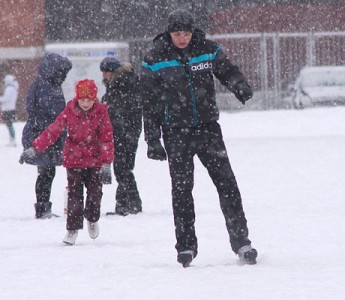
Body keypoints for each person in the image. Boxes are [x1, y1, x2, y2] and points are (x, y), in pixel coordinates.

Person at [140, 9, 257, 267]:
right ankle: (186, 247)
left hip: (207, 130)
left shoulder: (207, 50)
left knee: (227, 185)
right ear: (168, 33)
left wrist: (239, 84)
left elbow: (227, 70)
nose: (182, 39)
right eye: (177, 34)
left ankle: (242, 242)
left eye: (186, 33)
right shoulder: (154, 59)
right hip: (175, 134)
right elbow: (149, 103)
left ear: (193, 32)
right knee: (182, 191)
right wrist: (152, 139)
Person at [20, 79, 114, 245]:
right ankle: (72, 229)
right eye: (82, 99)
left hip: (94, 160)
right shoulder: (69, 111)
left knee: (94, 194)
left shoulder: (101, 112)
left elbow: (106, 138)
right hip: (74, 159)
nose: (85, 104)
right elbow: (53, 131)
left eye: (89, 100)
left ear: (94, 99)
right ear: (77, 98)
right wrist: (34, 148)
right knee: (74, 196)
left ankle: (92, 218)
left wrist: (106, 164)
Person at [21, 53, 72, 219]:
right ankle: (42, 208)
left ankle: (43, 206)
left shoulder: (48, 84)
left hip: (48, 135)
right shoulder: (45, 86)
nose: (63, 76)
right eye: (62, 72)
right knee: (46, 172)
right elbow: (50, 112)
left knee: (47, 172)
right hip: (43, 135)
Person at [100, 56, 143, 216]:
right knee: (125, 168)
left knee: (122, 168)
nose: (104, 75)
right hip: (126, 132)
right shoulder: (119, 84)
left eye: (106, 72)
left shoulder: (122, 84)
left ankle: (124, 205)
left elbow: (121, 111)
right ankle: (133, 203)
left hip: (124, 133)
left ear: (114, 72)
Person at [0, 74, 19, 146]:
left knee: (9, 125)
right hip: (11, 108)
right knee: (9, 124)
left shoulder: (9, 88)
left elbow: (5, 98)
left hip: (7, 109)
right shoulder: (14, 88)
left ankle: (12, 139)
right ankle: (12, 139)